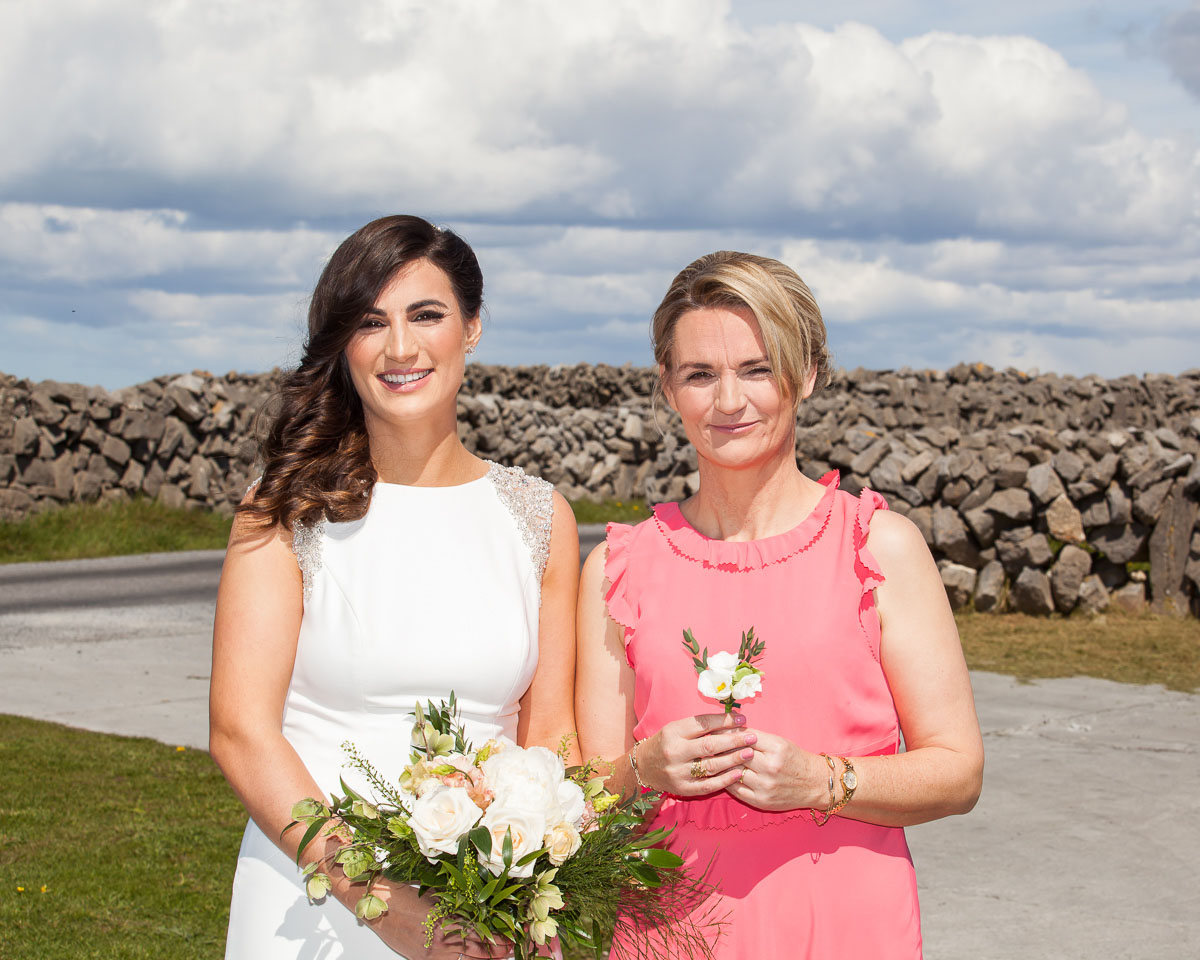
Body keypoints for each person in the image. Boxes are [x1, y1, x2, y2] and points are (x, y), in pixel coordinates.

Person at [575, 251, 984, 959]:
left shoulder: (879, 548)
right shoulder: (617, 566)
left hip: (846, 922)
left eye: (756, 370)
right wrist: (643, 768)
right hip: (666, 927)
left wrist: (823, 780)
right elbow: (581, 789)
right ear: (669, 389)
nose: (728, 401)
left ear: (808, 375)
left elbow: (958, 771)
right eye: (700, 374)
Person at [210, 215, 580, 960]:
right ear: (343, 342)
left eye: (427, 315)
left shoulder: (541, 517)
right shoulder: (284, 507)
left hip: (486, 916)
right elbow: (240, 731)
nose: (401, 347)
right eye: (371, 322)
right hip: (312, 902)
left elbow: (551, 740)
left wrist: (546, 897)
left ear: (472, 327)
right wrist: (375, 899)